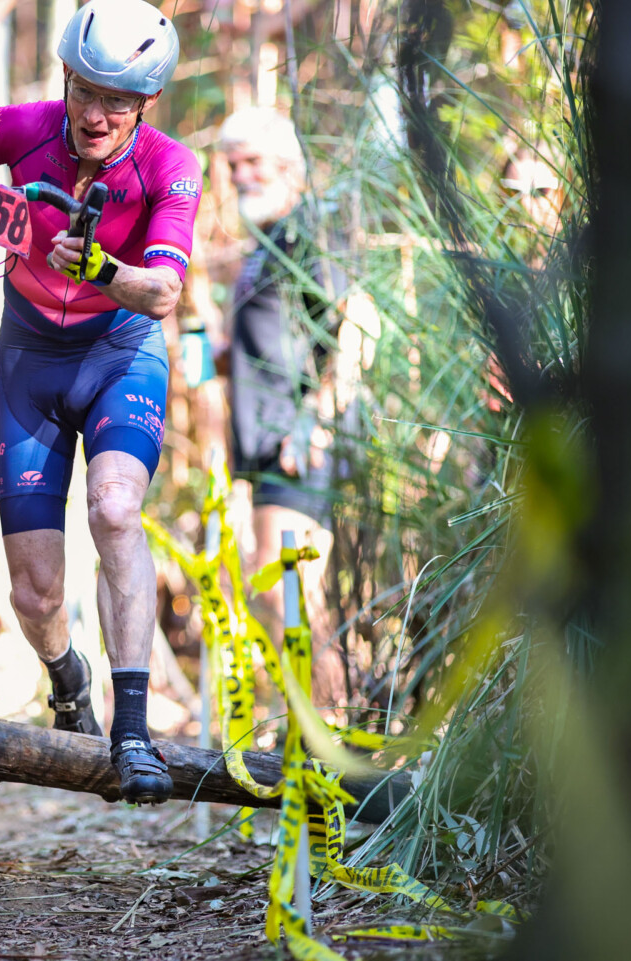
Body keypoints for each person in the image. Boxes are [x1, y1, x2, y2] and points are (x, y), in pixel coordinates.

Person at [0, 0, 201, 804]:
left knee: (114, 510)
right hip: (28, 355)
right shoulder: (26, 126)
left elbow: (164, 291)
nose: (97, 114)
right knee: (35, 592)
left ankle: (131, 735)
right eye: (87, 90)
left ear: (146, 105)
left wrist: (99, 269)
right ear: (65, 75)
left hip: (117, 353)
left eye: (119, 101)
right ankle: (68, 677)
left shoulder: (171, 166)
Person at [216, 107, 374, 710]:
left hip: (297, 441)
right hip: (264, 443)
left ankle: (330, 736)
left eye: (252, 162)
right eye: (233, 165)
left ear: (286, 163)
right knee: (282, 595)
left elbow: (359, 322)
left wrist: (314, 423)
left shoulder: (308, 229)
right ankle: (315, 742)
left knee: (284, 595)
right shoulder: (266, 242)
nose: (241, 176)